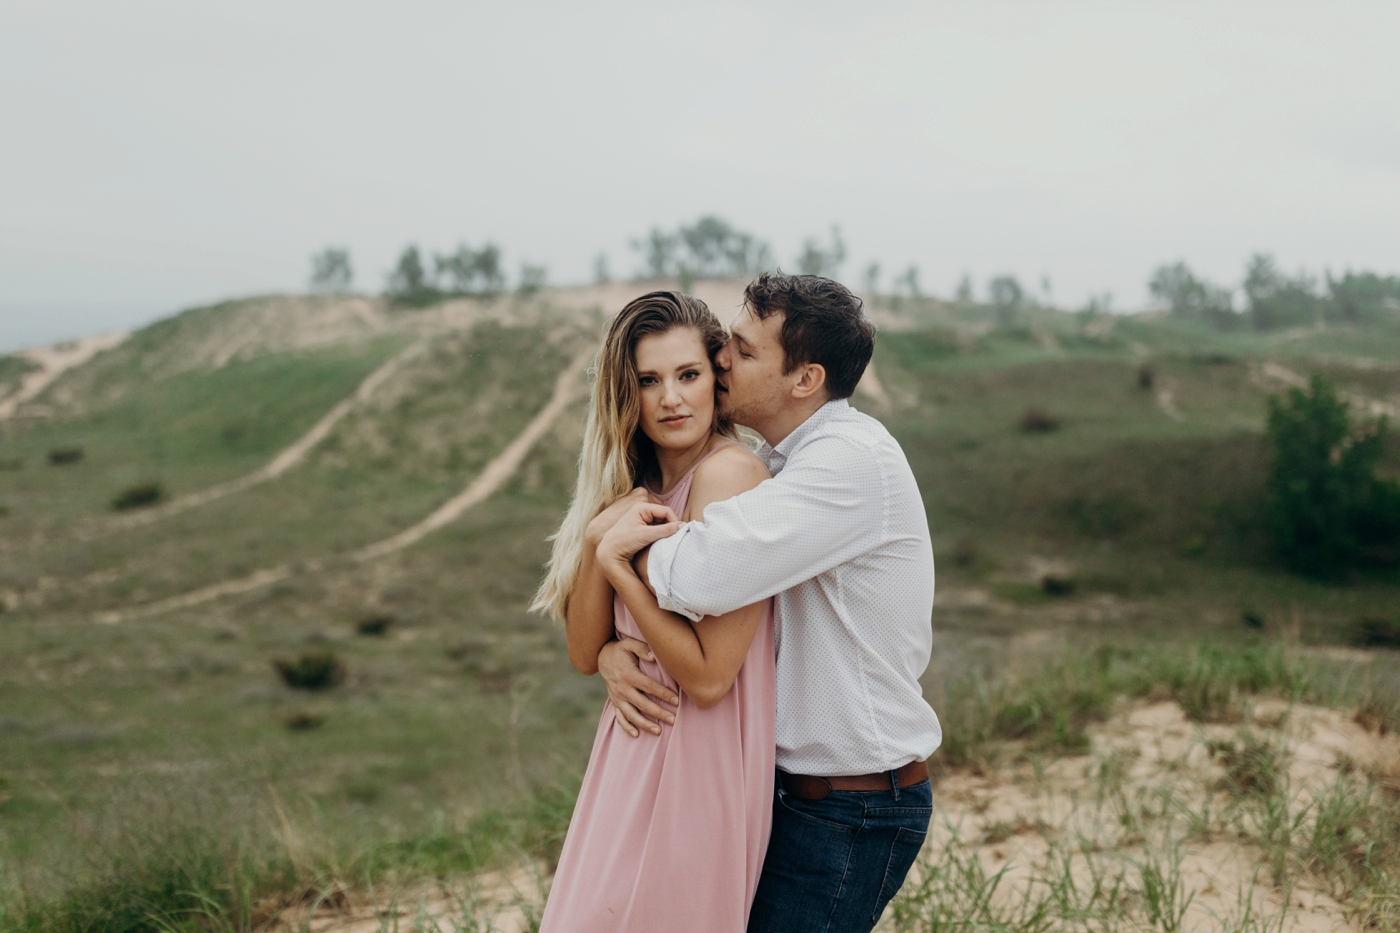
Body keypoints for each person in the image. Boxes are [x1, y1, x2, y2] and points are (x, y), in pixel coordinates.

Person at [596, 272, 941, 933]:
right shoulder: (788, 464)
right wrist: (614, 647)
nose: (723, 358)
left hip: (853, 809)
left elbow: (698, 575)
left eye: (746, 351)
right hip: (804, 798)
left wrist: (618, 539)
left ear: (804, 379)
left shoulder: (846, 463)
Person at [532, 291, 776, 933]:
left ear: (715, 380)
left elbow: (709, 678)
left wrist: (618, 567)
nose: (671, 398)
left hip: (699, 757)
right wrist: (593, 542)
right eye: (649, 380)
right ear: (626, 393)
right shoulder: (630, 491)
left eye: (688, 375)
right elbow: (584, 655)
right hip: (629, 752)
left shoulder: (731, 476)